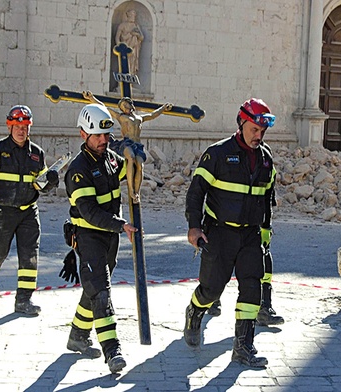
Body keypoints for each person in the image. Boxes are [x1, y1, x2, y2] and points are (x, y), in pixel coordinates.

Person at [184, 98, 276, 368]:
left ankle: (244, 347)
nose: (258, 136)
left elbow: (267, 199)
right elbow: (196, 191)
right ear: (242, 123)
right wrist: (194, 226)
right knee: (212, 289)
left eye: (262, 132)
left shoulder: (266, 160)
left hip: (250, 236)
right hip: (219, 234)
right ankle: (195, 311)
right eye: (254, 130)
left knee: (251, 288)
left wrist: (266, 232)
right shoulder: (218, 154)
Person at [63, 103, 137, 374]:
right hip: (89, 236)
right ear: (84, 134)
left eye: (106, 136)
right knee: (101, 292)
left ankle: (78, 336)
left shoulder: (109, 158)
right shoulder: (78, 170)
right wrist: (122, 225)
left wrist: (133, 155)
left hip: (110, 237)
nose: (104, 140)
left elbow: (127, 173)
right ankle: (112, 351)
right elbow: (90, 212)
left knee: (93, 288)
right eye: (98, 136)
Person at [0, 105, 59, 315]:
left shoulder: (36, 154)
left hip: (28, 212)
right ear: (10, 126)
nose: (21, 130)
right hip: (2, 212)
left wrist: (50, 182)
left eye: (25, 126)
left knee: (29, 255)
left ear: (29, 127)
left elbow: (40, 186)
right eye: (17, 126)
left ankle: (24, 300)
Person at [207, 188, 285, 327]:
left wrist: (266, 226)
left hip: (254, 222)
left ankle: (264, 307)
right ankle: (212, 298)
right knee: (222, 262)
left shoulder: (267, 168)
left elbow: (267, 198)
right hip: (228, 221)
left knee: (263, 259)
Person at [82, 90, 172, 204]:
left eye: (125, 105)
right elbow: (104, 107)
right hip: (127, 143)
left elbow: (152, 115)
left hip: (138, 145)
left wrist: (163, 108)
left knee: (140, 165)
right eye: (122, 107)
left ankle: (137, 192)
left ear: (130, 104)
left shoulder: (140, 118)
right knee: (131, 157)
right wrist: (91, 98)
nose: (124, 108)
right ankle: (131, 190)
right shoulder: (121, 117)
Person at [115, 9, 144, 75]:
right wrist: (120, 47)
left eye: (134, 16)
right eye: (132, 16)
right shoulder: (122, 25)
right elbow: (117, 37)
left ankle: (131, 76)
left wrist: (136, 34)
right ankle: (123, 79)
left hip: (134, 49)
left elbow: (142, 37)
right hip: (125, 47)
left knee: (132, 63)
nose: (133, 17)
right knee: (124, 62)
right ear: (128, 16)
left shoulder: (136, 26)